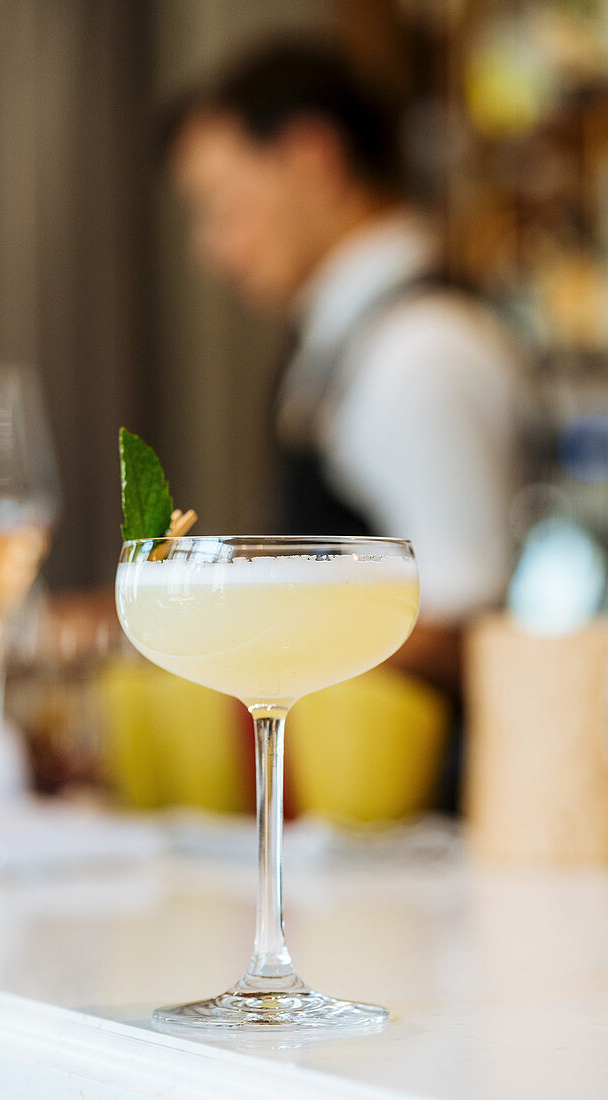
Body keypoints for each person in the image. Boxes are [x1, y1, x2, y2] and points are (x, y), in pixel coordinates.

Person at [163, 39, 525, 698]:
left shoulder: (424, 348)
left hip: (418, 794)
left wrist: (229, 659)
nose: (210, 252)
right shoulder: (347, 343)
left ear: (311, 159)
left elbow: (460, 624)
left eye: (220, 206)